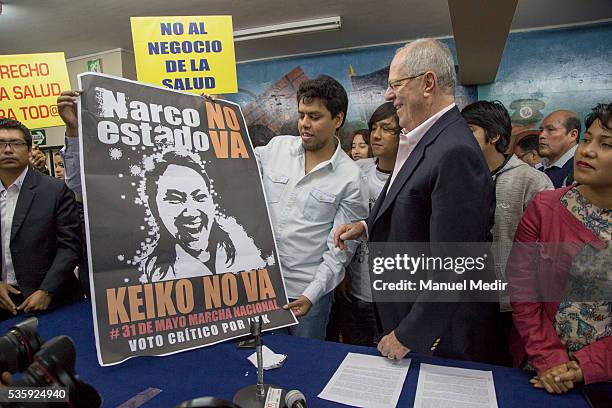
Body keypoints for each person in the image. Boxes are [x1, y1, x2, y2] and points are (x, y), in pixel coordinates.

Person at [334, 39, 497, 363]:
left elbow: (456, 262)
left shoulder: (454, 151)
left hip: (437, 332)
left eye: (395, 84)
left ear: (427, 83)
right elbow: (418, 205)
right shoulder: (425, 140)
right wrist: (367, 226)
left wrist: (410, 333)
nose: (387, 95)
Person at [507, 102, 611, 394]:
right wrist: (549, 358)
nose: (587, 150)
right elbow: (522, 288)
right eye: (588, 140)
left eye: (606, 144)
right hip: (542, 369)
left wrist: (583, 366)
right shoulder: (545, 207)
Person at [254, 75, 368, 340]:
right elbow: (233, 157)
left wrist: (312, 294)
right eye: (302, 115)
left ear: (337, 119)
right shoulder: (276, 149)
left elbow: (340, 250)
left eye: (314, 117)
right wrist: (211, 115)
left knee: (304, 370)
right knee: (261, 363)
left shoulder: (351, 178)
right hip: (262, 289)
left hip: (307, 295)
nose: (304, 124)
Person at [461, 100, 553, 365]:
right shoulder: (463, 178)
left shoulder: (532, 181)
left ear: (495, 136)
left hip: (512, 303)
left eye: (470, 130)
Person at [140, 149, 265, 282]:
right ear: (155, 208)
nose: (191, 212)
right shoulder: (152, 272)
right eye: (176, 199)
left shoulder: (245, 245)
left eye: (199, 197)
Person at [0, 118, 82, 320]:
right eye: (1, 144)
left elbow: (70, 245)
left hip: (52, 301)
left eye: (16, 143)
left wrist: (47, 290)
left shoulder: (54, 190)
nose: (8, 149)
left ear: (29, 150)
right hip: (4, 304)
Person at [337, 102, 400, 346]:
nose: (376, 135)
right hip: (355, 288)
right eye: (373, 128)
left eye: (386, 129)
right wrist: (342, 274)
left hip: (392, 296)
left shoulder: (412, 178)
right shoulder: (358, 171)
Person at [539, 110, 580, 187]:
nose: (541, 135)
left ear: (572, 135)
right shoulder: (539, 168)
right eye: (541, 130)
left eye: (550, 129)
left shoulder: (582, 170)